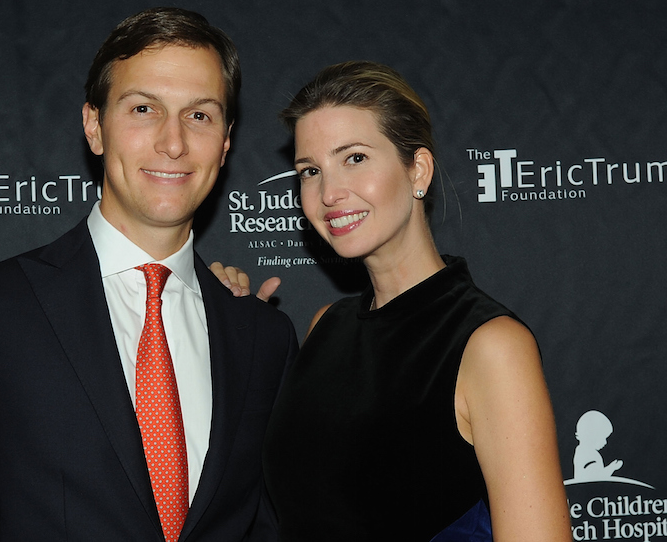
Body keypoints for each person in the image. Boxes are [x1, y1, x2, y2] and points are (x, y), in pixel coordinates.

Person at [0, 7, 297, 542]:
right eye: (144, 108)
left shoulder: (263, 338)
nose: (172, 142)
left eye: (200, 115)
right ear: (94, 126)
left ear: (225, 143)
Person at [220, 61, 570, 541]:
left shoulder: (490, 346)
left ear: (418, 170)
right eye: (310, 171)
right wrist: (227, 325)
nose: (328, 192)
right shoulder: (326, 326)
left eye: (356, 158)